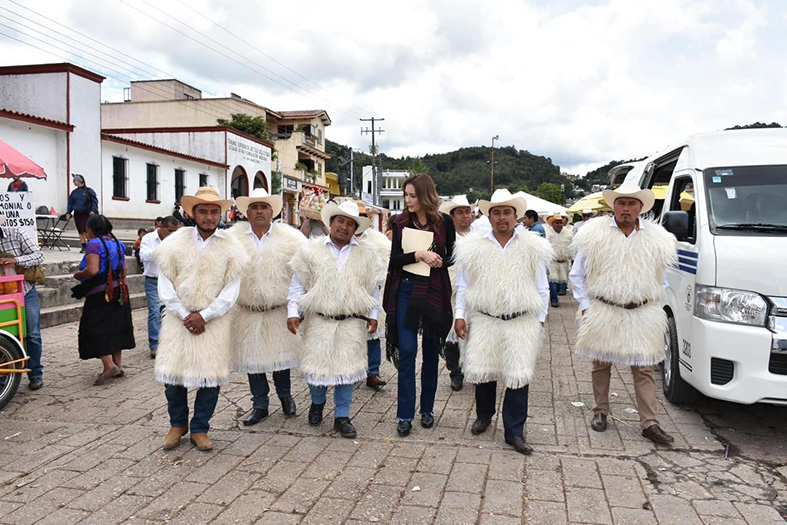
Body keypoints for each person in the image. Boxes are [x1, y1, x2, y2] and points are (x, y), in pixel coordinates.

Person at [569, 181, 678, 445]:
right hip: (604, 308)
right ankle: (600, 412)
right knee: (600, 363)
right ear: (613, 206)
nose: (626, 208)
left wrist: (651, 303)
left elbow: (662, 278)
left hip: (641, 312)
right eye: (621, 203)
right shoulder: (593, 235)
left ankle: (649, 423)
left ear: (641, 207)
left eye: (631, 203)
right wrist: (585, 305)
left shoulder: (658, 239)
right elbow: (578, 274)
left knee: (643, 368)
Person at [453, 189, 551, 455]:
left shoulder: (532, 246)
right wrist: (459, 315)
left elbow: (542, 286)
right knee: (483, 371)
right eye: (496, 212)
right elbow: (463, 284)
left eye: (507, 212)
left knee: (518, 376)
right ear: (489, 216)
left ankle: (514, 431)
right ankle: (484, 416)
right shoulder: (473, 246)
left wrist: (540, 319)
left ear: (516, 216)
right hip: (485, 318)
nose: (502, 217)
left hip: (521, 321)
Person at [154, 187, 247, 451]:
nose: (208, 217)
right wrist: (185, 314)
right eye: (203, 211)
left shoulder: (232, 247)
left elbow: (232, 290)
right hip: (177, 318)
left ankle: (200, 428)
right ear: (191, 213)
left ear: (221, 214)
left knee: (210, 377)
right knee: (173, 375)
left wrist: (205, 315)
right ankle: (177, 424)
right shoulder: (174, 242)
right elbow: (165, 284)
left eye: (214, 211)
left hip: (214, 321)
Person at [287, 200, 385, 439]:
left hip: (351, 321)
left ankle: (342, 415)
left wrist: (373, 316)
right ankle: (317, 403)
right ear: (331, 223)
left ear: (355, 229)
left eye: (350, 223)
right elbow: (297, 284)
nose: (344, 227)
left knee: (347, 369)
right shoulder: (310, 251)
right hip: (319, 320)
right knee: (316, 367)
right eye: (340, 221)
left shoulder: (367, 254)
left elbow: (374, 289)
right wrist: (292, 311)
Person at [383, 173, 456, 437]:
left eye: (413, 196)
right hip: (406, 291)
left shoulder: (444, 221)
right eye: (406, 195)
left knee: (429, 355)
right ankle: (404, 415)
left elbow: (451, 255)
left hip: (434, 291)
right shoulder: (400, 221)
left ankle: (427, 410)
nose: (408, 200)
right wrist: (418, 254)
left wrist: (439, 260)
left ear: (426, 195)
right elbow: (394, 259)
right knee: (408, 353)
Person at [230, 189, 305, 426]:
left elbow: (301, 273)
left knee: (280, 358)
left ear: (273, 211)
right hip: (247, 311)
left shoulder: (291, 239)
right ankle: (259, 404)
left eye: (264, 207)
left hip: (278, 309)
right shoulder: (233, 238)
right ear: (247, 212)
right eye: (255, 207)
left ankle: (285, 397)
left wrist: (298, 308)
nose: (260, 211)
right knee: (253, 360)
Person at [72, 215, 135, 384]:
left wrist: (78, 274)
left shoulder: (94, 244)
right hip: (119, 290)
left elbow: (92, 270)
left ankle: (108, 365)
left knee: (93, 327)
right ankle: (118, 365)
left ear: (91, 230)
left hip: (100, 293)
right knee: (117, 326)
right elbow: (124, 269)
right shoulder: (118, 243)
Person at [0, 214, 44, 390]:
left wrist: (15, 260)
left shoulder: (16, 234)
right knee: (5, 336)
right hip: (3, 296)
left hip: (25, 291)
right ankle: (5, 376)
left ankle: (35, 374)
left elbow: (39, 256)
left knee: (32, 334)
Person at [438, 195, 474, 391]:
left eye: (467, 212)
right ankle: (455, 372)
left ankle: (474, 369)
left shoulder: (479, 237)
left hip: (475, 294)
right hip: (450, 293)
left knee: (475, 334)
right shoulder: (445, 238)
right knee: (452, 335)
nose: (465, 216)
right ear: (451, 216)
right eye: (460, 212)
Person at [139, 217, 180, 359]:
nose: (172, 234)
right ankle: (155, 344)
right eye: (169, 231)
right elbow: (143, 255)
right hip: (154, 280)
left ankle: (169, 342)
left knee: (170, 312)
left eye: (175, 231)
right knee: (154, 311)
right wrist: (162, 250)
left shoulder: (177, 240)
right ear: (161, 227)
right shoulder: (149, 239)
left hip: (171, 280)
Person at [359, 225, 391, 391]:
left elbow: (384, 269)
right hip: (344, 296)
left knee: (372, 334)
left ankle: (373, 372)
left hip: (371, 291)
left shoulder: (378, 242)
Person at [546, 214, 574, 308]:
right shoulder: (548, 234)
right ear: (552, 224)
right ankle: (554, 300)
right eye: (557, 223)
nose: (559, 225)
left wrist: (572, 258)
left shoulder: (569, 234)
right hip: (552, 262)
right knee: (552, 280)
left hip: (564, 262)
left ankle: (557, 293)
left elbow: (572, 247)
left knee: (562, 281)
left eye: (560, 222)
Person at [65, 174, 99, 253]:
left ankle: (91, 245)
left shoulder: (89, 191)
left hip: (86, 213)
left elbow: (94, 201)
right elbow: (70, 203)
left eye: (75, 180)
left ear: (80, 181)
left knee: (86, 230)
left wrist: (94, 210)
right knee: (80, 230)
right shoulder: (74, 193)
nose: (74, 182)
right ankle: (84, 246)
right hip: (77, 213)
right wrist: (68, 213)